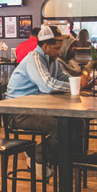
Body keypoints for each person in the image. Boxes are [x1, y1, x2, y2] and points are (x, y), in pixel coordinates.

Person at [7, 26, 90, 165]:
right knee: (61, 127)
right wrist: (75, 86)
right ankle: (36, 154)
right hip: (19, 112)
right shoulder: (34, 58)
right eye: (57, 48)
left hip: (36, 108)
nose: (59, 52)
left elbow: (63, 77)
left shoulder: (53, 61)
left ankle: (71, 162)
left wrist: (80, 81)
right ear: (45, 46)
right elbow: (47, 85)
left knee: (78, 122)